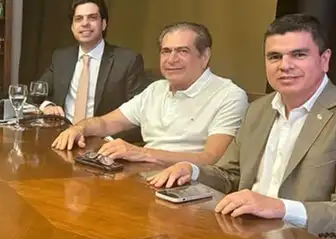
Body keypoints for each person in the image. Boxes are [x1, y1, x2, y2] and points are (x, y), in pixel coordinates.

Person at [149, 14, 336, 239]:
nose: (285, 65)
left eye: (299, 54)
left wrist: (280, 208)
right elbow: (230, 174)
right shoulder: (258, 110)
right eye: (274, 56)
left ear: (324, 60)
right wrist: (193, 171)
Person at [52, 22, 248, 166]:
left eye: (182, 51)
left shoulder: (229, 96)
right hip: (143, 175)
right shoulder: (156, 89)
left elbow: (211, 159)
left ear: (204, 56)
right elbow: (106, 123)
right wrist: (78, 128)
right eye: (166, 51)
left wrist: (142, 153)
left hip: (189, 188)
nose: (171, 59)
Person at [37, 0, 147, 123]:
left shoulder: (127, 61)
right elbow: (35, 94)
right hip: (63, 132)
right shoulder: (61, 58)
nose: (85, 23)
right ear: (72, 27)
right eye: (78, 19)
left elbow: (140, 111)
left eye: (92, 18)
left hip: (104, 134)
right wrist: (48, 106)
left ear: (103, 24)